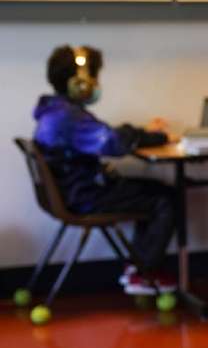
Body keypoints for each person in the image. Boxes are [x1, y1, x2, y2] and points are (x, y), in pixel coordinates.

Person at [32, 45, 176, 295]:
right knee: (164, 198)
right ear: (80, 83)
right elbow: (114, 143)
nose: (97, 84)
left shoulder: (55, 111)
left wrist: (141, 132)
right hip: (85, 197)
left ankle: (139, 267)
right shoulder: (68, 117)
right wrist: (154, 136)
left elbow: (106, 136)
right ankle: (142, 273)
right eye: (94, 78)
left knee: (148, 191)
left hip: (70, 194)